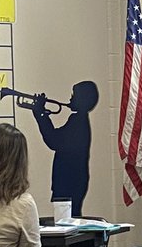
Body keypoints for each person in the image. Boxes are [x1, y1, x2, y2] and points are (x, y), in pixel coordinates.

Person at [31, 81, 97, 216]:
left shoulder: (77, 121)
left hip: (69, 182)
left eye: (74, 96)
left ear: (83, 99)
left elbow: (54, 141)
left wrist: (41, 115)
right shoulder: (79, 120)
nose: (70, 99)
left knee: (65, 223)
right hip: (73, 181)